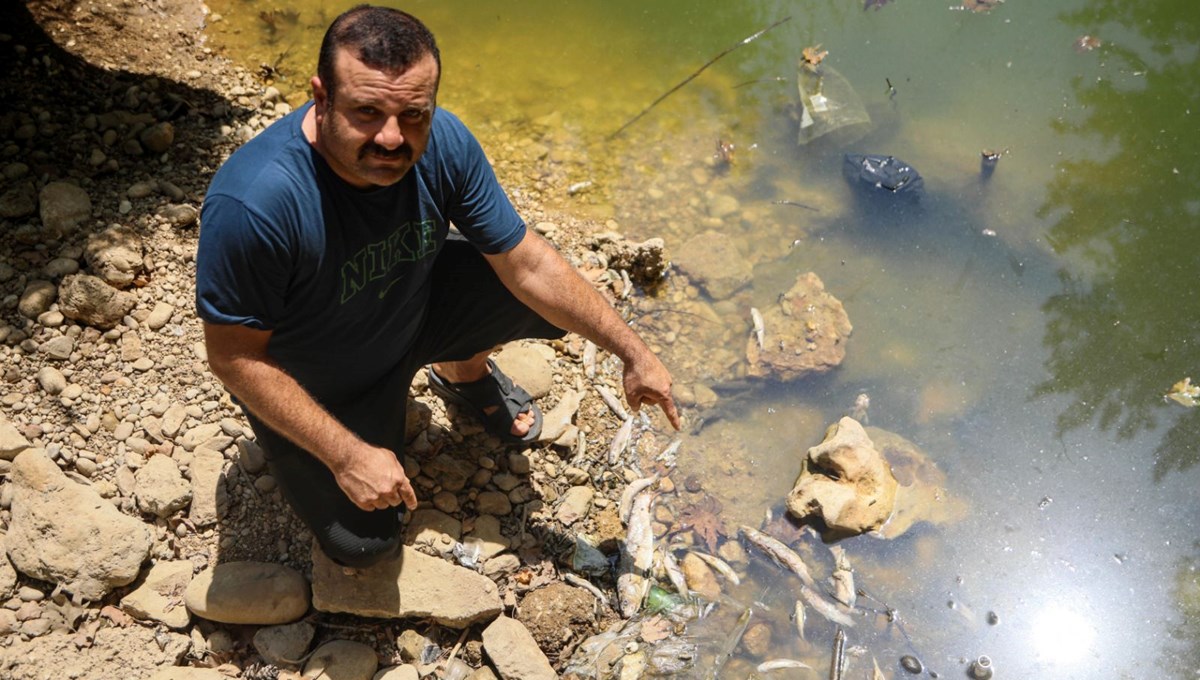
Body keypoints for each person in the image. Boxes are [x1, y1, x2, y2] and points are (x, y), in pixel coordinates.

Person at [195, 5, 679, 568]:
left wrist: (632, 351)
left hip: (411, 311)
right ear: (321, 97)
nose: (391, 137)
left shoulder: (446, 141)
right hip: (324, 381)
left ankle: (461, 371)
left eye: (413, 114)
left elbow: (527, 262)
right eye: (367, 112)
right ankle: (332, 434)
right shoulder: (255, 203)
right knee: (363, 545)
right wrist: (347, 454)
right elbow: (234, 359)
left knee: (546, 300)